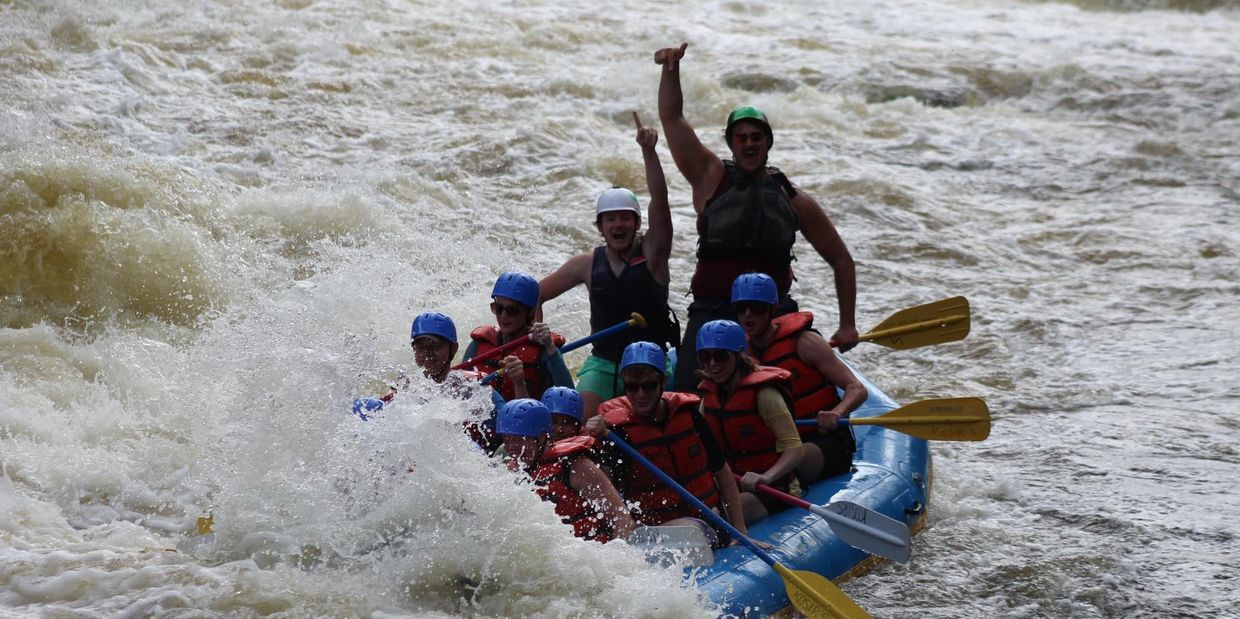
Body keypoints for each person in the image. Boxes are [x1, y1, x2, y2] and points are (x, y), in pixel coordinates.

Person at [653, 42, 860, 391]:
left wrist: (847, 324)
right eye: (741, 138)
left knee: (796, 390)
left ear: (768, 143)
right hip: (713, 311)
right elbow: (672, 118)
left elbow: (841, 259)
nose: (749, 144)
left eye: (756, 137)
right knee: (691, 397)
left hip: (772, 319)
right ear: (731, 144)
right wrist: (670, 69)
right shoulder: (709, 177)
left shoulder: (793, 200)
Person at [538, 113, 678, 419]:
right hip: (604, 362)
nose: (618, 224)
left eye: (625, 217)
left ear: (637, 223)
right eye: (610, 219)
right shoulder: (586, 265)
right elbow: (534, 295)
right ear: (600, 226)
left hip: (651, 360)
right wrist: (538, 346)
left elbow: (660, 200)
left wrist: (649, 152)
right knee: (579, 423)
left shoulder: (654, 254)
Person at [584, 341, 749, 547]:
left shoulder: (689, 414)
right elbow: (603, 489)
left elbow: (722, 471)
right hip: (651, 525)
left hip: (705, 521)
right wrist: (593, 439)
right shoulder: (617, 432)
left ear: (663, 381)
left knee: (691, 530)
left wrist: (740, 531)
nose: (640, 395)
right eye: (632, 387)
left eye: (649, 386)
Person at [731, 273, 867, 483]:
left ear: (772, 309)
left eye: (756, 307)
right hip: (780, 442)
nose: (748, 315)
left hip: (823, 438)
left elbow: (856, 389)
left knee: (790, 461)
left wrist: (836, 413)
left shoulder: (806, 343)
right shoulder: (739, 353)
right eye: (741, 308)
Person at [694, 320, 803, 524]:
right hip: (733, 484)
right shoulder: (709, 398)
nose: (712, 364)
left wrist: (767, 477)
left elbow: (795, 448)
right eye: (705, 358)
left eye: (720, 356)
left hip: (775, 488)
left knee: (715, 518)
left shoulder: (765, 395)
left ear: (740, 355)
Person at [497, 398, 637, 543]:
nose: (512, 447)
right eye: (507, 440)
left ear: (542, 437)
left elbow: (622, 519)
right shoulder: (512, 472)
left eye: (520, 440)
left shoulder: (575, 466)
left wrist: (615, 560)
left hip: (589, 553)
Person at [462, 271, 574, 402]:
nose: (504, 315)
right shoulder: (478, 344)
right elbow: (458, 387)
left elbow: (570, 399)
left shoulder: (543, 351)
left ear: (530, 313)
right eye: (498, 308)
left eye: (512, 310)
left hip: (527, 418)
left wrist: (550, 347)